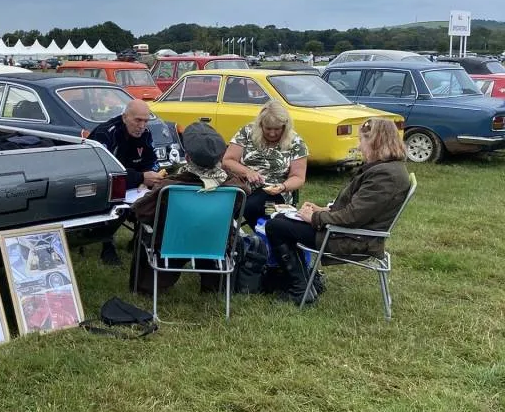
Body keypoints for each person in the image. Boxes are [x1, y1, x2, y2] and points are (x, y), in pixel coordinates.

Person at [264, 118, 410, 304]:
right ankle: (305, 284)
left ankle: (301, 290)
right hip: (351, 232)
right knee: (284, 220)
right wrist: (325, 209)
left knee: (277, 226)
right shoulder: (386, 169)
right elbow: (359, 208)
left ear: (375, 142)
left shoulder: (385, 175)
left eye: (362, 140)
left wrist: (315, 217)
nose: (359, 145)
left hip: (353, 238)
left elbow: (353, 216)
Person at [129, 122, 249, 294]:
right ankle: (213, 285)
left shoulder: (169, 186)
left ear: (188, 157)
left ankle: (145, 287)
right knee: (210, 229)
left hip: (171, 244)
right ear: (219, 157)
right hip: (215, 243)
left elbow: (141, 213)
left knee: (146, 229)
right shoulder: (236, 186)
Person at [88, 100, 164, 264]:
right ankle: (107, 246)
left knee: (158, 196)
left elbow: (152, 161)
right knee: (117, 202)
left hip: (133, 185)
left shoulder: (146, 133)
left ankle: (139, 240)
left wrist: (152, 176)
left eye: (146, 121)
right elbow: (105, 172)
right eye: (138, 120)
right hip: (102, 186)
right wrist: (141, 177)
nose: (142, 126)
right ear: (124, 117)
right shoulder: (106, 133)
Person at [223, 101, 308, 224]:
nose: (272, 133)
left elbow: (298, 177)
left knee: (251, 208)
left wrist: (282, 187)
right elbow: (227, 161)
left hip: (275, 194)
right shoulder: (246, 132)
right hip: (241, 187)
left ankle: (260, 237)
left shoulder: (296, 142)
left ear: (285, 126)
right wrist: (247, 172)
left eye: (277, 129)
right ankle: (229, 236)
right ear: (260, 124)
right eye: (268, 128)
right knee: (224, 207)